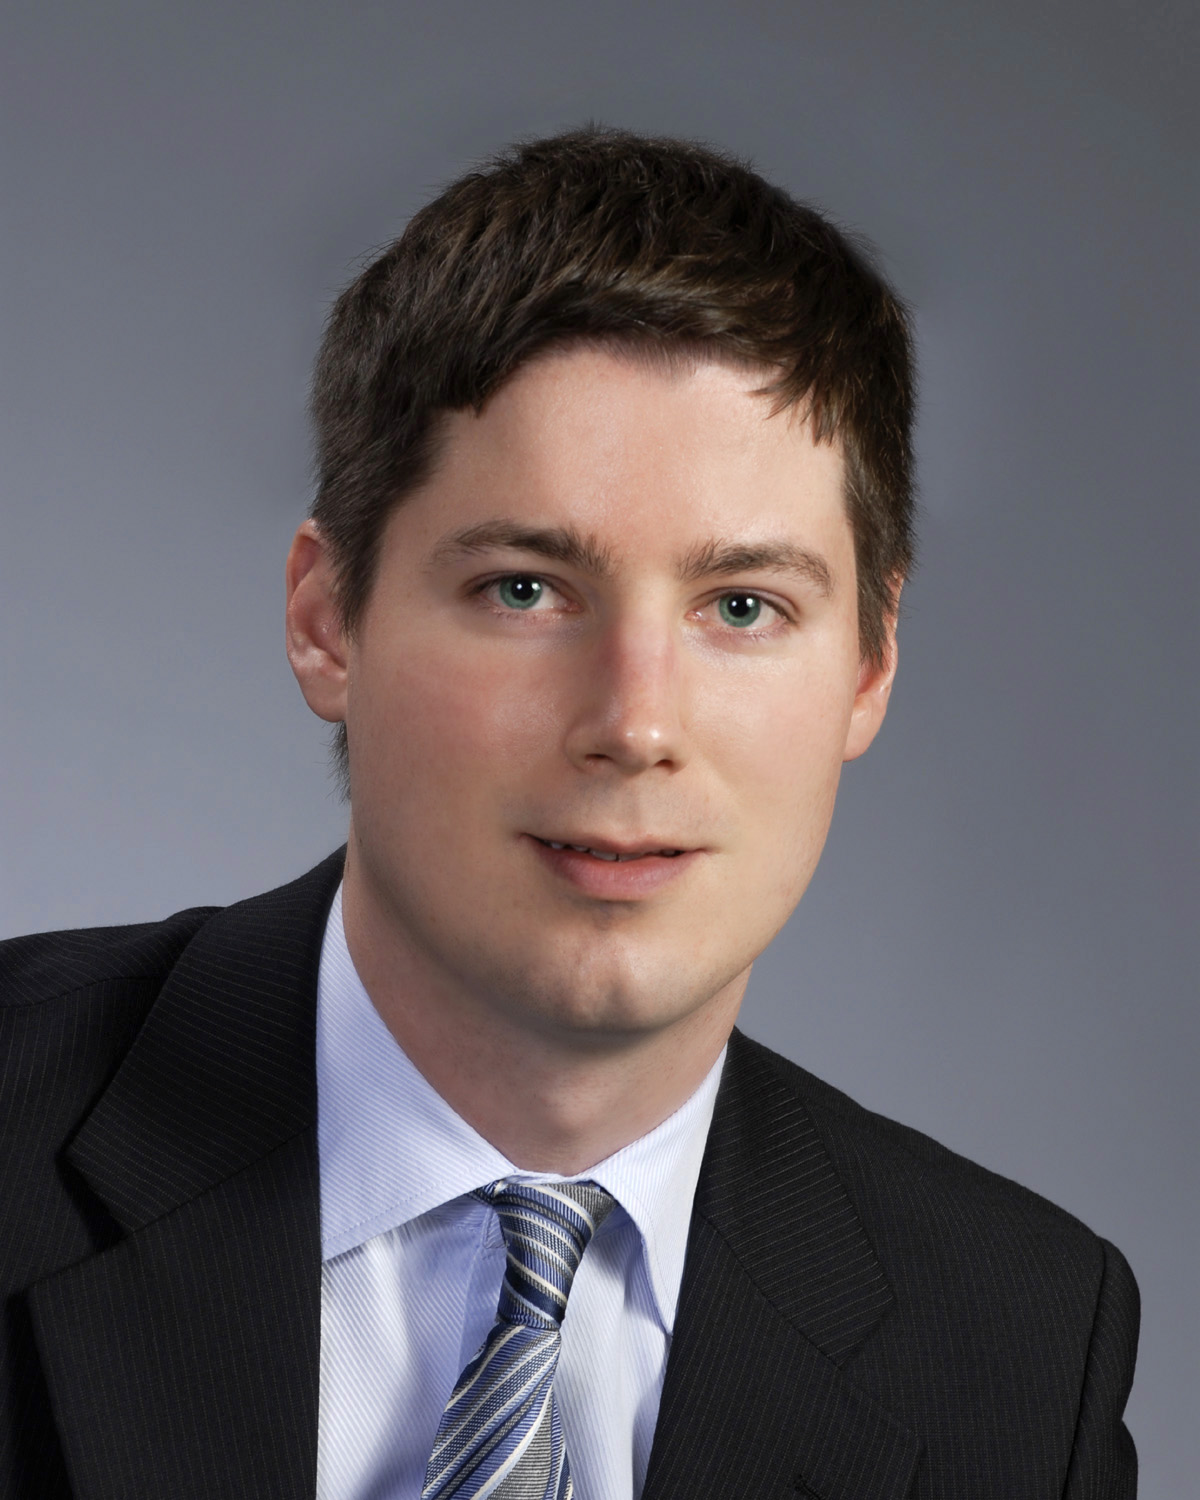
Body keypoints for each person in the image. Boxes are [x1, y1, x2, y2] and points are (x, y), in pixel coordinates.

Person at [0, 129, 1138, 1500]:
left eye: (742, 607)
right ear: (326, 620)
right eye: (525, 590)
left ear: (869, 667)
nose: (636, 725)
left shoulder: (1019, 1350)